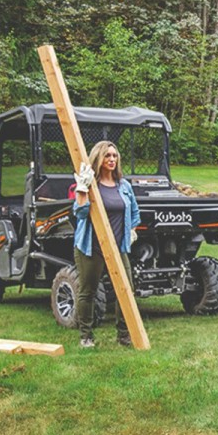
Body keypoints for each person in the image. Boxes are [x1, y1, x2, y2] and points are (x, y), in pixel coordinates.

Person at [72, 140, 140, 348]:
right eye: (107, 156)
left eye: (115, 155)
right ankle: (86, 335)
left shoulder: (124, 186)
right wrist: (82, 189)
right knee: (88, 291)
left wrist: (132, 230)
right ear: (99, 159)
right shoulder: (91, 184)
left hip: (118, 248)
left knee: (126, 290)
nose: (112, 159)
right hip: (91, 247)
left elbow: (135, 212)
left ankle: (124, 334)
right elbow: (80, 213)